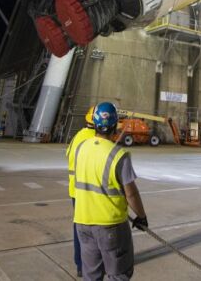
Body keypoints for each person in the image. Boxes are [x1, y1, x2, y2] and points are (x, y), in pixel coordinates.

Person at [74, 102, 147, 281]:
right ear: (115, 125)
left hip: (82, 222)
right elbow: (131, 194)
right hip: (110, 225)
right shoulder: (119, 155)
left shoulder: (80, 148)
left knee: (91, 275)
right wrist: (141, 216)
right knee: (119, 274)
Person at [66, 106, 97, 277]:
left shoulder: (78, 135)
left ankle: (81, 265)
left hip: (75, 190)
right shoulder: (94, 140)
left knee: (80, 229)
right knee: (95, 230)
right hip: (89, 192)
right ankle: (92, 264)